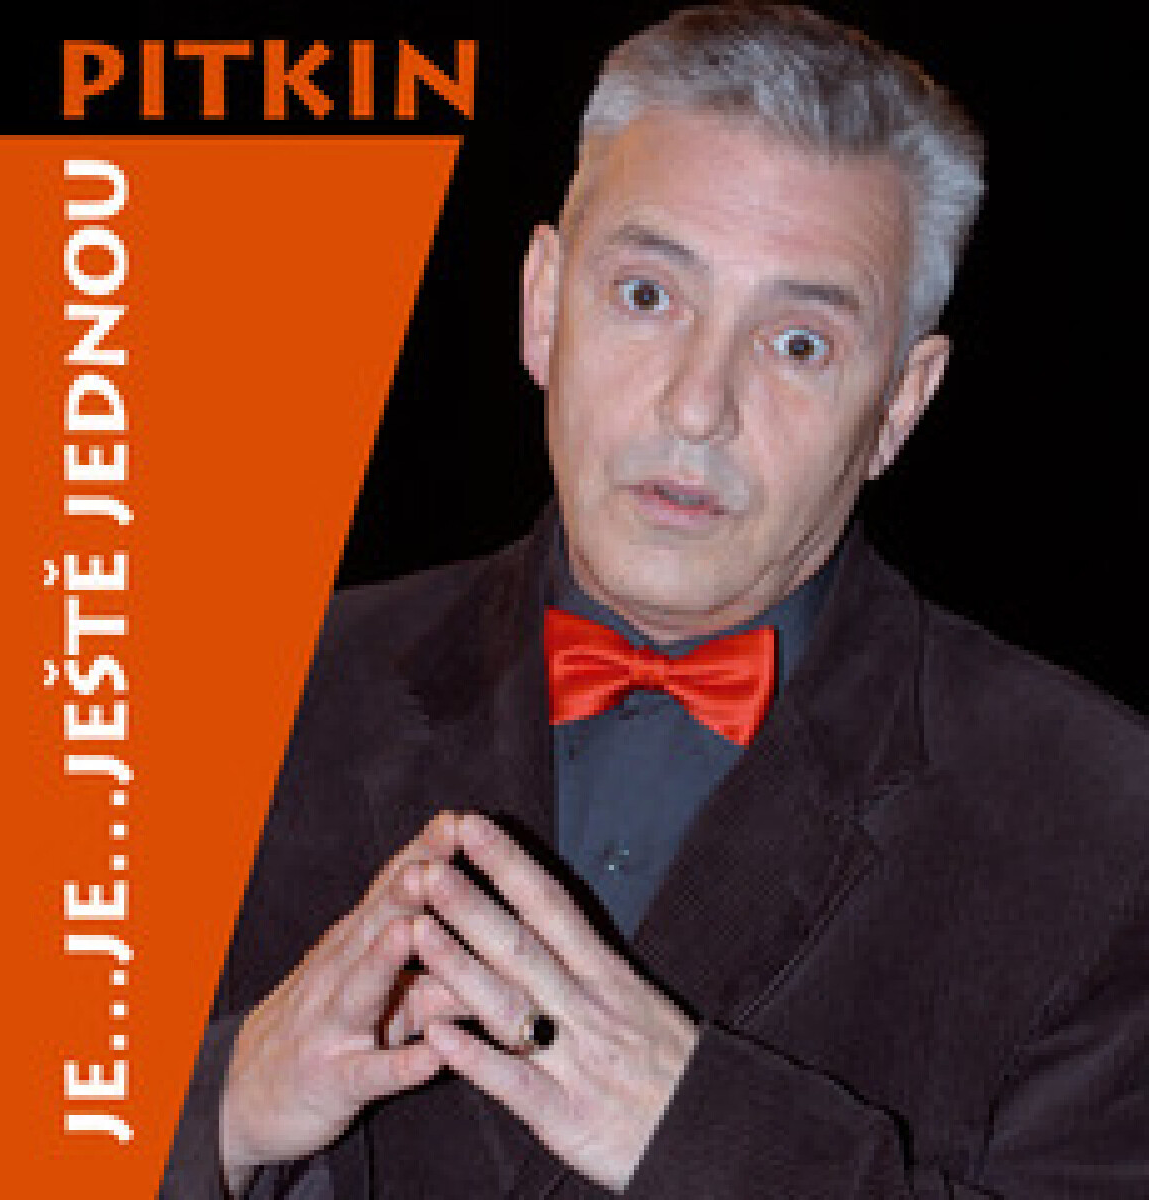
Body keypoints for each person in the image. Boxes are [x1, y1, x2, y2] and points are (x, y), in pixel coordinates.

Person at [161, 4, 1149, 1196]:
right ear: (543, 305)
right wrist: (223, 1105)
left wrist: (703, 1138)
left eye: (797, 344)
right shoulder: (244, 686)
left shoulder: (1108, 821)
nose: (697, 405)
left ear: (899, 404)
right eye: (646, 296)